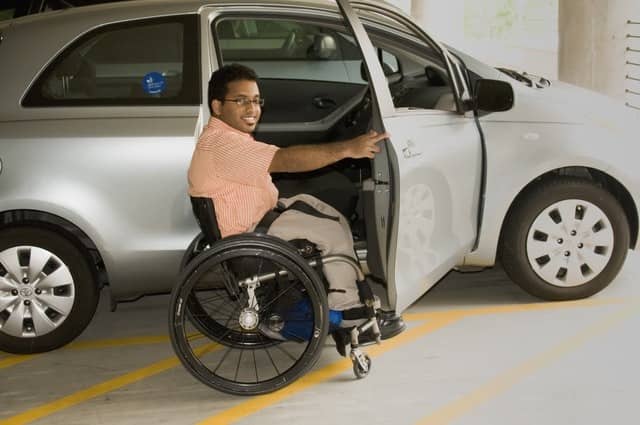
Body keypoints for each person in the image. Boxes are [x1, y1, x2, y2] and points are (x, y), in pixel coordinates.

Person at [188, 63, 405, 347]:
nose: (252, 108)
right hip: (252, 236)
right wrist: (347, 149)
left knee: (328, 212)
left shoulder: (222, 138)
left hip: (258, 219)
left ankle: (347, 290)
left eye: (255, 100)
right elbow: (286, 160)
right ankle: (349, 311)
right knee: (330, 231)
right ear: (217, 106)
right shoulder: (225, 145)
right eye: (240, 100)